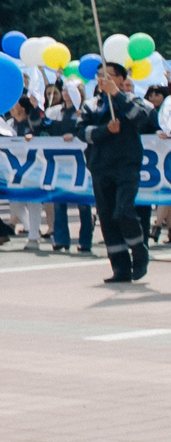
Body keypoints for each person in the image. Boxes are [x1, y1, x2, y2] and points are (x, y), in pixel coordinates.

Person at [82, 60, 155, 284]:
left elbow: (142, 118)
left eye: (109, 75)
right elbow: (81, 131)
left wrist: (118, 95)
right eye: (100, 75)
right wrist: (105, 130)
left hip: (126, 165)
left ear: (121, 79)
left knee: (123, 211)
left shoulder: (131, 100)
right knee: (107, 218)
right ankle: (120, 268)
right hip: (100, 166)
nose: (103, 80)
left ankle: (139, 252)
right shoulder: (91, 105)